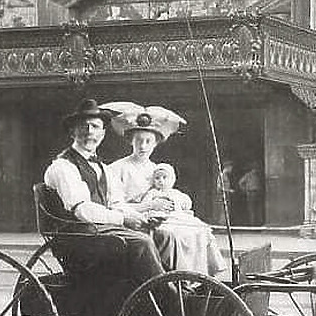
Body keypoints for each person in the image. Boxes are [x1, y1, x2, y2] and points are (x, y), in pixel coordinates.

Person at [42, 98, 176, 287]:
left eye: (95, 127)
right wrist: (124, 220)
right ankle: (168, 299)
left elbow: (116, 204)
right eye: (84, 126)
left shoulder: (102, 168)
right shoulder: (63, 166)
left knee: (163, 236)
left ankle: (153, 294)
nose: (90, 132)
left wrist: (142, 218)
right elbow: (82, 210)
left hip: (98, 232)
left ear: (103, 133)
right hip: (78, 238)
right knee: (141, 242)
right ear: (73, 131)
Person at [103, 101, 227, 277]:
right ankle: (176, 279)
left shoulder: (157, 169)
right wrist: (150, 206)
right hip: (133, 221)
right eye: (139, 141)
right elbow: (114, 206)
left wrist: (175, 202)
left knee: (199, 229)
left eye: (148, 141)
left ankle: (199, 278)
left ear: (155, 144)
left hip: (160, 218)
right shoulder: (116, 168)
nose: (143, 146)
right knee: (170, 234)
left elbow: (168, 193)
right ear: (131, 141)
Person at [142, 163, 228, 276]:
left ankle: (208, 267)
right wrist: (153, 205)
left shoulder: (176, 193)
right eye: (157, 178)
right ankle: (183, 270)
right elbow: (145, 205)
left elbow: (187, 203)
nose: (161, 181)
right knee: (178, 234)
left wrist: (178, 201)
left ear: (172, 179)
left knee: (202, 228)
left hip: (178, 217)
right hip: (163, 219)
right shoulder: (152, 193)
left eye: (164, 178)